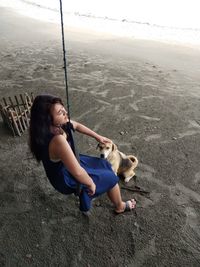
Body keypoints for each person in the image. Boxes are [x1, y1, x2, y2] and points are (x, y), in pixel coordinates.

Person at [29, 94, 136, 214]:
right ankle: (119, 206)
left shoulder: (57, 125)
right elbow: (78, 172)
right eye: (60, 112)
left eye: (63, 108)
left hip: (70, 162)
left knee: (105, 165)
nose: (65, 112)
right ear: (48, 119)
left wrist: (98, 137)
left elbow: (78, 126)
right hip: (63, 176)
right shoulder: (57, 140)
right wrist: (90, 183)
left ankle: (95, 193)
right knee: (111, 177)